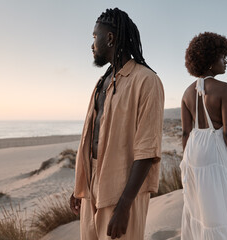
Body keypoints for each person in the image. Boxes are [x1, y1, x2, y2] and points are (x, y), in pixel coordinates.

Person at [69, 8, 164, 240]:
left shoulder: (146, 81)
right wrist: (79, 188)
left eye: (94, 37)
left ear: (110, 38)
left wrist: (124, 205)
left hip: (122, 188)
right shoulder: (103, 82)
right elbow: (91, 137)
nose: (92, 44)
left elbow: (147, 149)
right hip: (92, 183)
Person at [180, 32, 227, 239]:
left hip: (193, 153)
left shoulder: (187, 93)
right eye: (223, 57)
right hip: (216, 151)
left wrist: (187, 163)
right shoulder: (224, 89)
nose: (226, 62)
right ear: (210, 60)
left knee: (200, 210)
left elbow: (186, 132)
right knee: (225, 209)